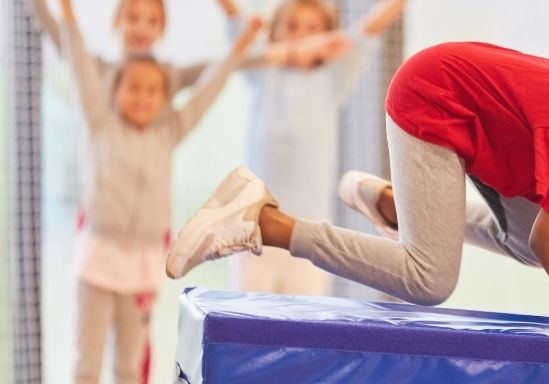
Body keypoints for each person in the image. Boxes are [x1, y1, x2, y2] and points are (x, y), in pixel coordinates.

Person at [165, 42, 549, 343]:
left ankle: (401, 208)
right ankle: (264, 220)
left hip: (494, 143)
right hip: (437, 101)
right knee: (430, 279)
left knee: (528, 249)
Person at [60, 0, 261, 381]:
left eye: (153, 91)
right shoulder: (100, 122)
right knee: (86, 364)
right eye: (133, 88)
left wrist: (238, 48)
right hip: (97, 262)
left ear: (164, 99)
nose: (142, 97)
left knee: (129, 364)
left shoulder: (169, 130)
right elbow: (81, 66)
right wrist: (68, 15)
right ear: (114, 91)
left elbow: (207, 89)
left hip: (142, 265)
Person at [216, 0, 407, 295]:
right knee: (246, 324)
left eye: (312, 29)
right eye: (292, 27)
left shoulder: (333, 75)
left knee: (303, 327)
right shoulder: (263, 70)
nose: (301, 36)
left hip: (308, 230)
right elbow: (233, 17)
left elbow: (370, 28)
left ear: (329, 38)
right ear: (275, 32)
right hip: (253, 227)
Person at [30, 0, 209, 98]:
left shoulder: (169, 77)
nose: (141, 29)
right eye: (133, 18)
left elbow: (225, 65)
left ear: (162, 29)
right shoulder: (96, 71)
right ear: (117, 21)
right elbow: (59, 36)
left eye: (152, 21)